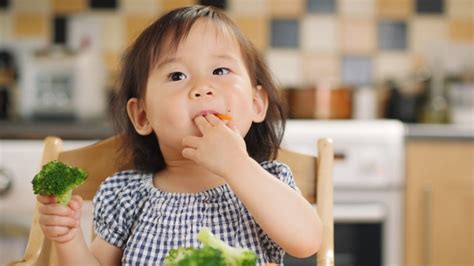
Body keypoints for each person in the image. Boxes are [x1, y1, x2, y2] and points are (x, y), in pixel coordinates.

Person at [37, 5, 322, 265]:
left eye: (220, 70)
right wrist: (68, 238)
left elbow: (307, 241)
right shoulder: (128, 195)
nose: (202, 87)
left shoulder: (268, 182)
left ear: (257, 104)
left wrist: (238, 165)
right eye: (177, 76)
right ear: (142, 116)